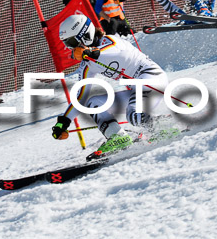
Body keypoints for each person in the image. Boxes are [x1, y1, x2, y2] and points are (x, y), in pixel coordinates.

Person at [51, 13, 168, 154]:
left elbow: (112, 51)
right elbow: (81, 98)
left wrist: (89, 52)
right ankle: (118, 137)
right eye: (68, 45)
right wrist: (63, 122)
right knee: (93, 103)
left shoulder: (110, 41)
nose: (71, 49)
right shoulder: (88, 64)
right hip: (135, 90)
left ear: (85, 35)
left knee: (133, 113)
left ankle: (163, 127)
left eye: (72, 43)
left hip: (153, 79)